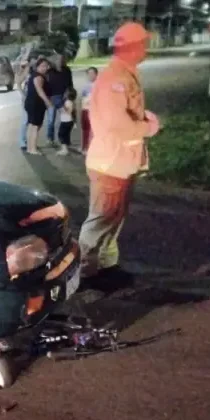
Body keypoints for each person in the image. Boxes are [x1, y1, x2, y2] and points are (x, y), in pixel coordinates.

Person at [78, 22, 160, 289]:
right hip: (111, 163)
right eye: (143, 44)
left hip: (121, 162)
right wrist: (149, 126)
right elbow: (117, 123)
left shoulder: (124, 73)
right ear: (133, 47)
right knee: (101, 218)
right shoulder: (115, 77)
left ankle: (106, 266)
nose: (146, 49)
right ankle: (86, 273)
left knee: (114, 217)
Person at [24, 58, 53, 155]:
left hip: (31, 103)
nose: (45, 68)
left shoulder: (36, 75)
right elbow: (40, 91)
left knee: (32, 125)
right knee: (35, 126)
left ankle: (30, 147)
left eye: (46, 66)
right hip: (36, 103)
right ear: (37, 66)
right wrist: (48, 102)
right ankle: (33, 149)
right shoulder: (38, 77)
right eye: (43, 66)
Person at [45, 54, 74, 146]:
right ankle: (50, 139)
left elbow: (70, 83)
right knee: (51, 120)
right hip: (53, 97)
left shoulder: (67, 70)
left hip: (65, 96)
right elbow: (46, 85)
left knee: (67, 119)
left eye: (61, 59)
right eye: (57, 59)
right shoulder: (50, 71)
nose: (60, 61)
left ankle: (66, 140)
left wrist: (71, 95)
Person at [80, 67, 98, 154]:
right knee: (85, 129)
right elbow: (82, 98)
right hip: (85, 110)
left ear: (96, 74)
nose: (90, 75)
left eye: (92, 73)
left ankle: (91, 147)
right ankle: (84, 147)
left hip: (93, 111)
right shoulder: (85, 86)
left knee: (93, 130)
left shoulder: (99, 85)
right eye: (89, 74)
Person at [57, 87, 77, 156]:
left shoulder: (68, 102)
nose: (64, 94)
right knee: (66, 134)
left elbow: (69, 111)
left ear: (67, 94)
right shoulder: (72, 102)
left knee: (61, 134)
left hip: (66, 121)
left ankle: (64, 149)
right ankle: (68, 145)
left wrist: (62, 108)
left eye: (65, 92)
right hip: (69, 121)